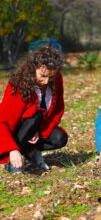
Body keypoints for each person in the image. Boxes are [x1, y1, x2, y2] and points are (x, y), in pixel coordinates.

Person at [0, 41, 68, 173]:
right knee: (34, 117)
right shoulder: (19, 84)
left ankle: (31, 151)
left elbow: (58, 109)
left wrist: (37, 130)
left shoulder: (56, 79)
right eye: (43, 76)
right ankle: (13, 160)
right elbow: (2, 121)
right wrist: (12, 149)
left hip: (35, 128)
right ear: (33, 68)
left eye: (51, 76)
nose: (47, 81)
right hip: (13, 132)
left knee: (59, 138)